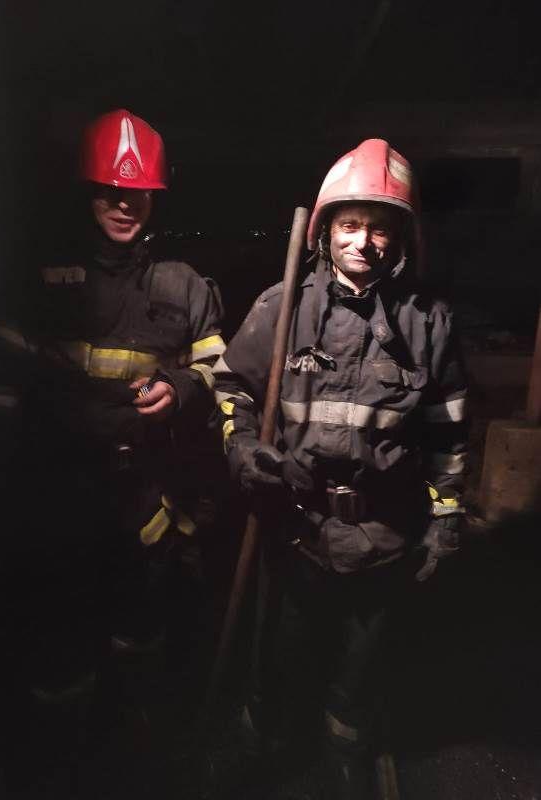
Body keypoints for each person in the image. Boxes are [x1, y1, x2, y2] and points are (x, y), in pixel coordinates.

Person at [212, 139, 468, 796]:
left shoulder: (428, 323)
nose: (364, 242)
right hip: (294, 527)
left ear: (401, 238)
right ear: (325, 230)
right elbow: (232, 387)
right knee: (277, 653)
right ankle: (260, 743)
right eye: (350, 224)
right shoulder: (282, 308)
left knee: (361, 667)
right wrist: (243, 448)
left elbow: (448, 430)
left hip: (384, 532)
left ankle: (346, 753)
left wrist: (445, 517)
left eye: (380, 228)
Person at [0, 109, 226, 699]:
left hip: (148, 487)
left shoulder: (184, 283)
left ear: (155, 197)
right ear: (87, 191)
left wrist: (183, 387)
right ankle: (66, 726)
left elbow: (219, 370)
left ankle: (134, 717)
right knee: (64, 622)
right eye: (110, 192)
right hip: (61, 486)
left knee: (141, 617)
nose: (125, 205)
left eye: (138, 193)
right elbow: (1, 373)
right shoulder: (39, 280)